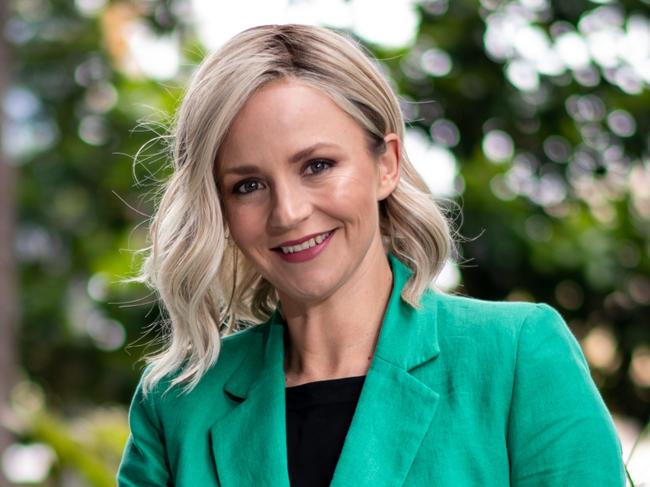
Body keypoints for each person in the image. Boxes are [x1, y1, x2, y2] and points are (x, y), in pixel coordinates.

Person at [117, 24, 625, 486]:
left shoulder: (516, 356)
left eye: (317, 165)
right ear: (220, 207)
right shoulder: (175, 405)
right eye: (248, 184)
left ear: (387, 164)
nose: (288, 213)